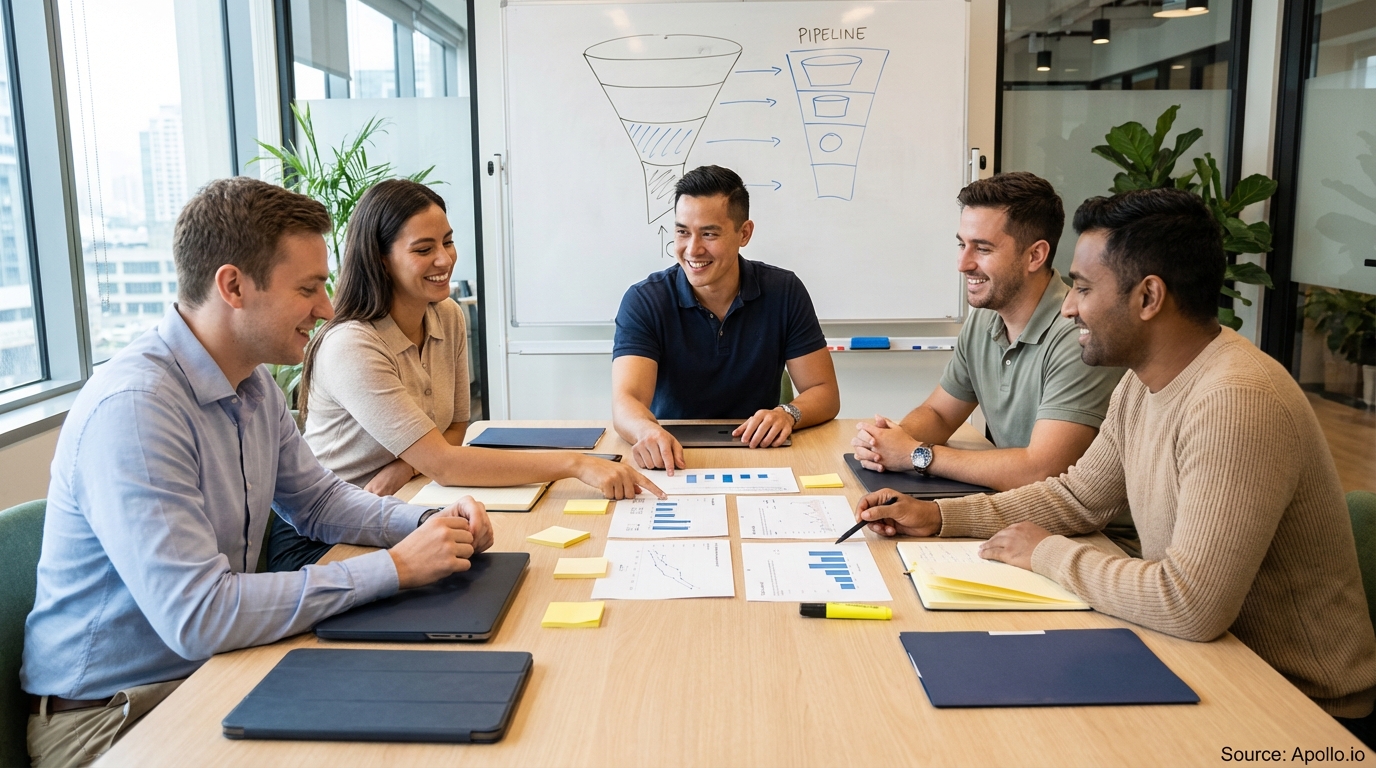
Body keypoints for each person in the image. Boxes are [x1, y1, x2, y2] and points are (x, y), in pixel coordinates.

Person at [20, 177, 494, 768]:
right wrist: (396, 567)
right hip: (115, 716)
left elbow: (318, 503)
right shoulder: (137, 409)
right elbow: (202, 615)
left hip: (215, 670)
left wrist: (428, 520)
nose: (326, 308)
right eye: (308, 289)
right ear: (233, 286)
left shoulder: (250, 382)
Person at [853, 188, 1376, 722]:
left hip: (1294, 703)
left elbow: (1190, 604)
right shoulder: (1140, 384)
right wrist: (940, 516)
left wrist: (1045, 553)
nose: (1071, 305)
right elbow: (1078, 497)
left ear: (1149, 297)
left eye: (1082, 287)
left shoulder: (1236, 402)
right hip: (1206, 661)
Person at [268, 179, 664, 570]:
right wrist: (577, 465)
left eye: (448, 241)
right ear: (381, 259)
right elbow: (445, 462)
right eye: (424, 249)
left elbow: (456, 429)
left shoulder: (447, 315)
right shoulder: (352, 345)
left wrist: (406, 465)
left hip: (411, 502)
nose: (445, 259)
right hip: (326, 538)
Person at [849, 172, 1132, 551]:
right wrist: (891, 442)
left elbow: (1042, 469)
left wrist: (918, 456)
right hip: (1018, 516)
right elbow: (939, 412)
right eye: (961, 244)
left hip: (1093, 539)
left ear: (1035, 255)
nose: (963, 264)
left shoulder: (1078, 334)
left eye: (982, 248)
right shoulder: (985, 317)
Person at [611, 165, 840, 472]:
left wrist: (787, 412)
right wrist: (645, 430)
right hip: (670, 456)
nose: (692, 250)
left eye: (709, 233)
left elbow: (824, 392)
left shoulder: (784, 291)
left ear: (743, 233)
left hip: (763, 454)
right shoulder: (644, 300)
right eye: (682, 232)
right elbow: (627, 401)